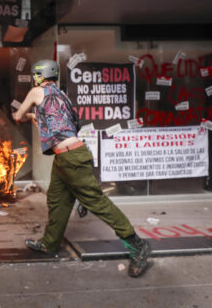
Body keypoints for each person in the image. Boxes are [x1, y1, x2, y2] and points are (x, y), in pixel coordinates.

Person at [12, 59, 150, 277]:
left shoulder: (36, 91)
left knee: (96, 201)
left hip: (72, 159)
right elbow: (65, 125)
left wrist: (22, 115)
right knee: (57, 199)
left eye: (36, 75)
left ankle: (137, 244)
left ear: (39, 75)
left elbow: (19, 116)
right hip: (68, 156)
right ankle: (49, 243)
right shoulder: (63, 97)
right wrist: (35, 116)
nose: (35, 78)